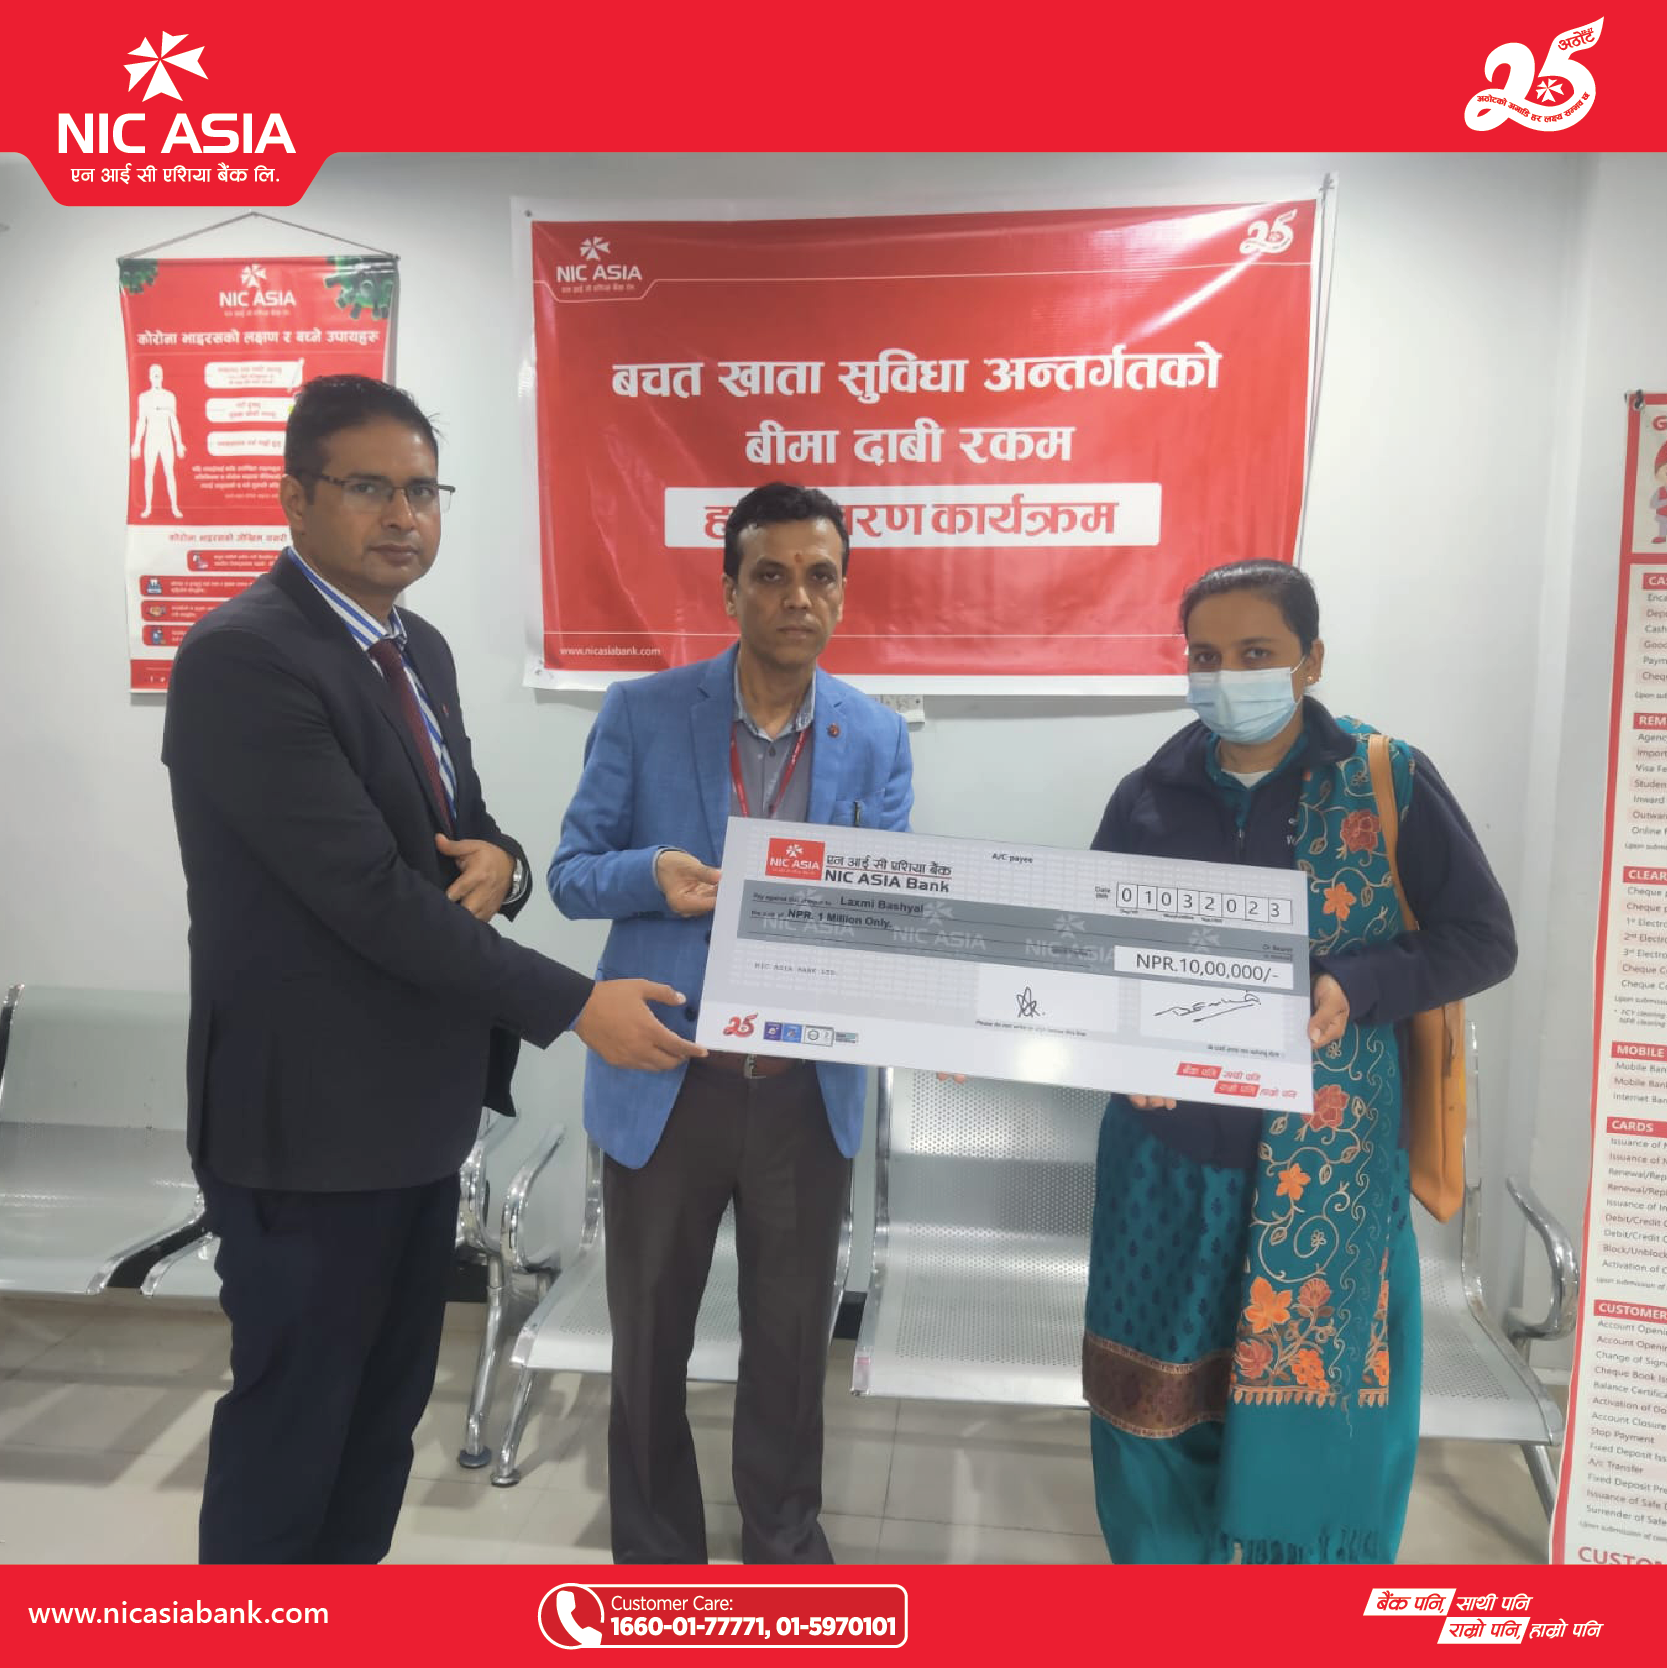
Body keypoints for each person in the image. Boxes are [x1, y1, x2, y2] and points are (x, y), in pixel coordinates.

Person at [162, 374, 700, 1564]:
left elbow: (460, 832)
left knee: (379, 1421)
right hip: (304, 1125)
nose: (403, 514)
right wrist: (576, 1005)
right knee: (294, 1430)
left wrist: (506, 863)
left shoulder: (416, 650)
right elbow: (367, 896)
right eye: (368, 488)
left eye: (421, 489)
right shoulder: (245, 660)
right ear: (294, 498)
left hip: (415, 1111)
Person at [1083, 559, 1516, 1563]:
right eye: (1203, 656)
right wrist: (1110, 1043)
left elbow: (1481, 940)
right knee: (1152, 1402)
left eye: (1254, 654)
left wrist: (1358, 983)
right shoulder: (1146, 797)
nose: (1223, 677)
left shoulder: (1383, 778)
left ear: (1309, 661)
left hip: (1329, 1170)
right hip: (1166, 1164)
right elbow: (1092, 953)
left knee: (1316, 1418)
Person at [549, 481, 913, 1563]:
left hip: (803, 1093)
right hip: (669, 1075)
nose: (797, 596)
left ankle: (783, 1543)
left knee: (791, 1347)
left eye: (819, 576)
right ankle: (657, 1556)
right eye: (771, 574)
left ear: (841, 593)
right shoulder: (642, 712)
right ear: (729, 591)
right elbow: (569, 874)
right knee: (649, 1339)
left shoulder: (876, 737)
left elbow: (891, 908)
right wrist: (652, 875)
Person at [133, 363, 185, 519]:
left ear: (162, 376)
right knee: (149, 472)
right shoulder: (144, 398)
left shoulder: (169, 396)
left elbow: (174, 421)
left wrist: (179, 443)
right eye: (154, 374)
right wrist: (137, 443)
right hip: (151, 438)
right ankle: (148, 507)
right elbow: (141, 421)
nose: (156, 377)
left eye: (159, 374)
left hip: (165, 438)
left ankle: (174, 507)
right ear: (149, 377)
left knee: (169, 472)